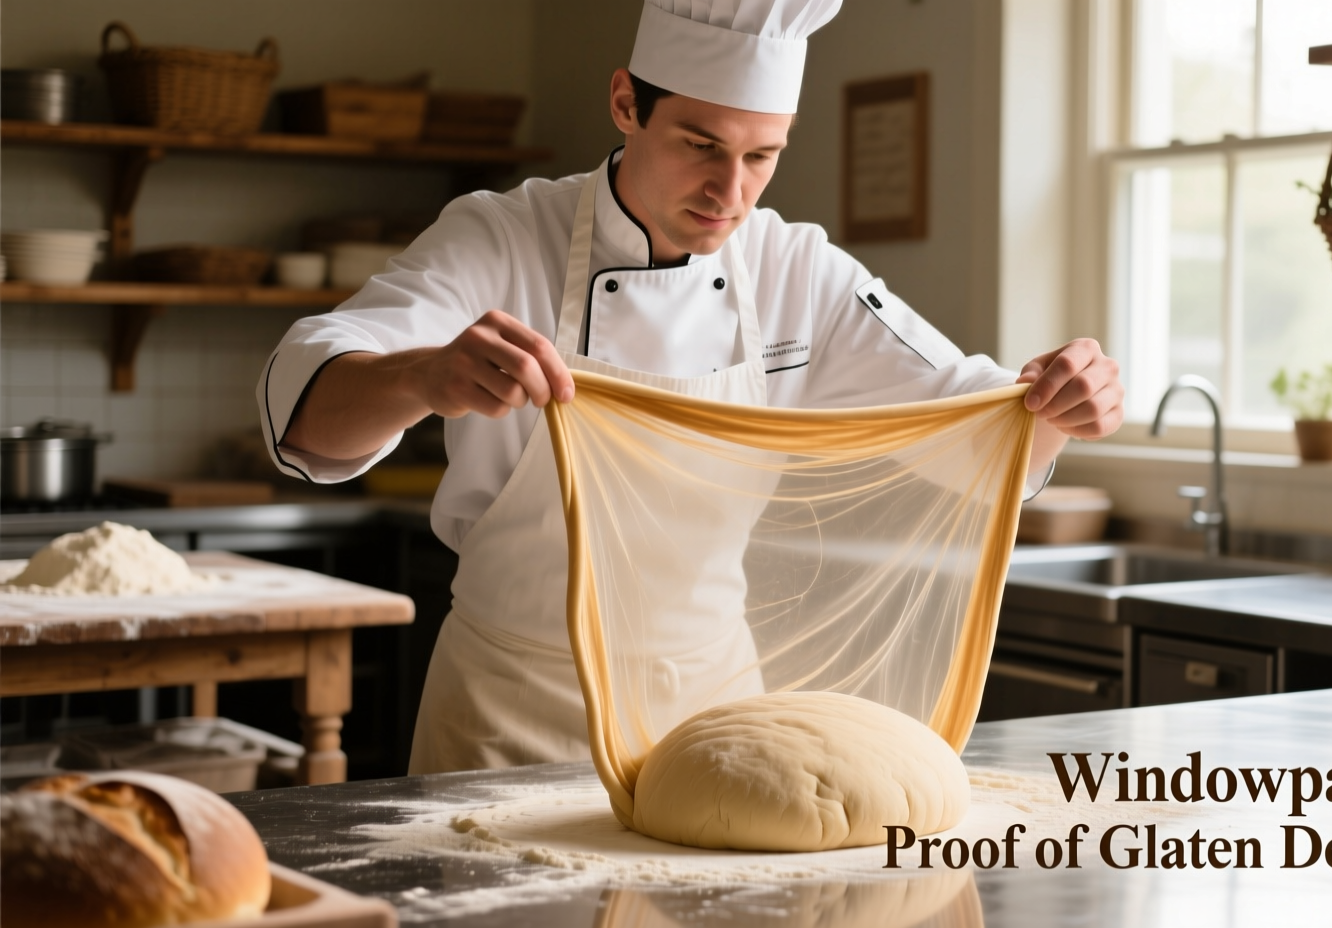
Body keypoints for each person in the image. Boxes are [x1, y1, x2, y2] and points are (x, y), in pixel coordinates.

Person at [258, 0, 1125, 775]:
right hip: (513, 710)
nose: (730, 192)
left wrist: (1057, 403)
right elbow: (308, 411)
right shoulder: (500, 238)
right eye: (702, 146)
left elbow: (972, 425)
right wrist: (420, 373)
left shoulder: (797, 270)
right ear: (626, 104)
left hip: (715, 720)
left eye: (762, 157)